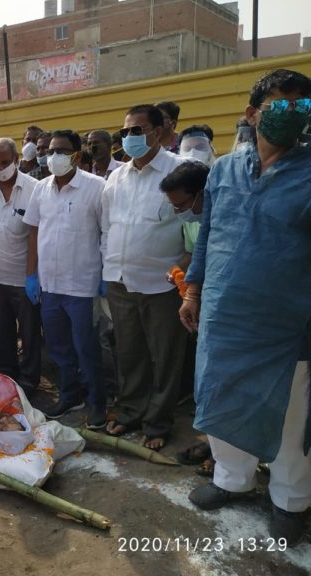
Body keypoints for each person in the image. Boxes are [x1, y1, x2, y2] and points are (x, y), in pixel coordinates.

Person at [180, 69, 311, 545]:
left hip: (287, 324)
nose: (293, 115)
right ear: (253, 113)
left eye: (303, 107)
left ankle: (290, 499)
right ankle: (231, 479)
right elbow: (208, 235)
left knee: (290, 414)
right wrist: (193, 291)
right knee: (221, 397)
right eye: (281, 105)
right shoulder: (223, 170)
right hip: (223, 314)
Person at [101, 104, 186, 450]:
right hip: (120, 279)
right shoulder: (116, 177)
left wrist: (184, 274)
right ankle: (131, 411)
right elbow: (108, 226)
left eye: (138, 130)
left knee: (165, 355)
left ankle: (158, 422)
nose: (130, 137)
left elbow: (194, 227)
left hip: (162, 283)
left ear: (158, 131)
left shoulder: (180, 172)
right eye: (125, 132)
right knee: (130, 352)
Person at [24, 130, 107, 427]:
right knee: (59, 346)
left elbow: (107, 232)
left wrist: (105, 274)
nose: (54, 157)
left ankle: (97, 401)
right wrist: (31, 275)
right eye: (51, 151)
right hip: (50, 283)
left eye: (62, 151)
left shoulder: (97, 187)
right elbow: (33, 231)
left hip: (83, 283)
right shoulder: (41, 188)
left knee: (86, 345)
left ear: (77, 154)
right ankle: (70, 393)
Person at [159, 161, 212, 475]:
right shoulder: (198, 218)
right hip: (201, 302)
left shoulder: (229, 217)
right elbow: (196, 251)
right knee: (205, 377)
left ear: (201, 194)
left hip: (226, 305)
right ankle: (214, 442)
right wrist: (182, 278)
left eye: (181, 204)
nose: (179, 212)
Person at [0, 138, 41, 391]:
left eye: (5, 162)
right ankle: (8, 376)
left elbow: (37, 234)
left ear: (16, 160)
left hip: (23, 277)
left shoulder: (34, 188)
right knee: (1, 332)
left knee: (30, 333)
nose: (0, 168)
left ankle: (30, 379)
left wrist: (33, 275)